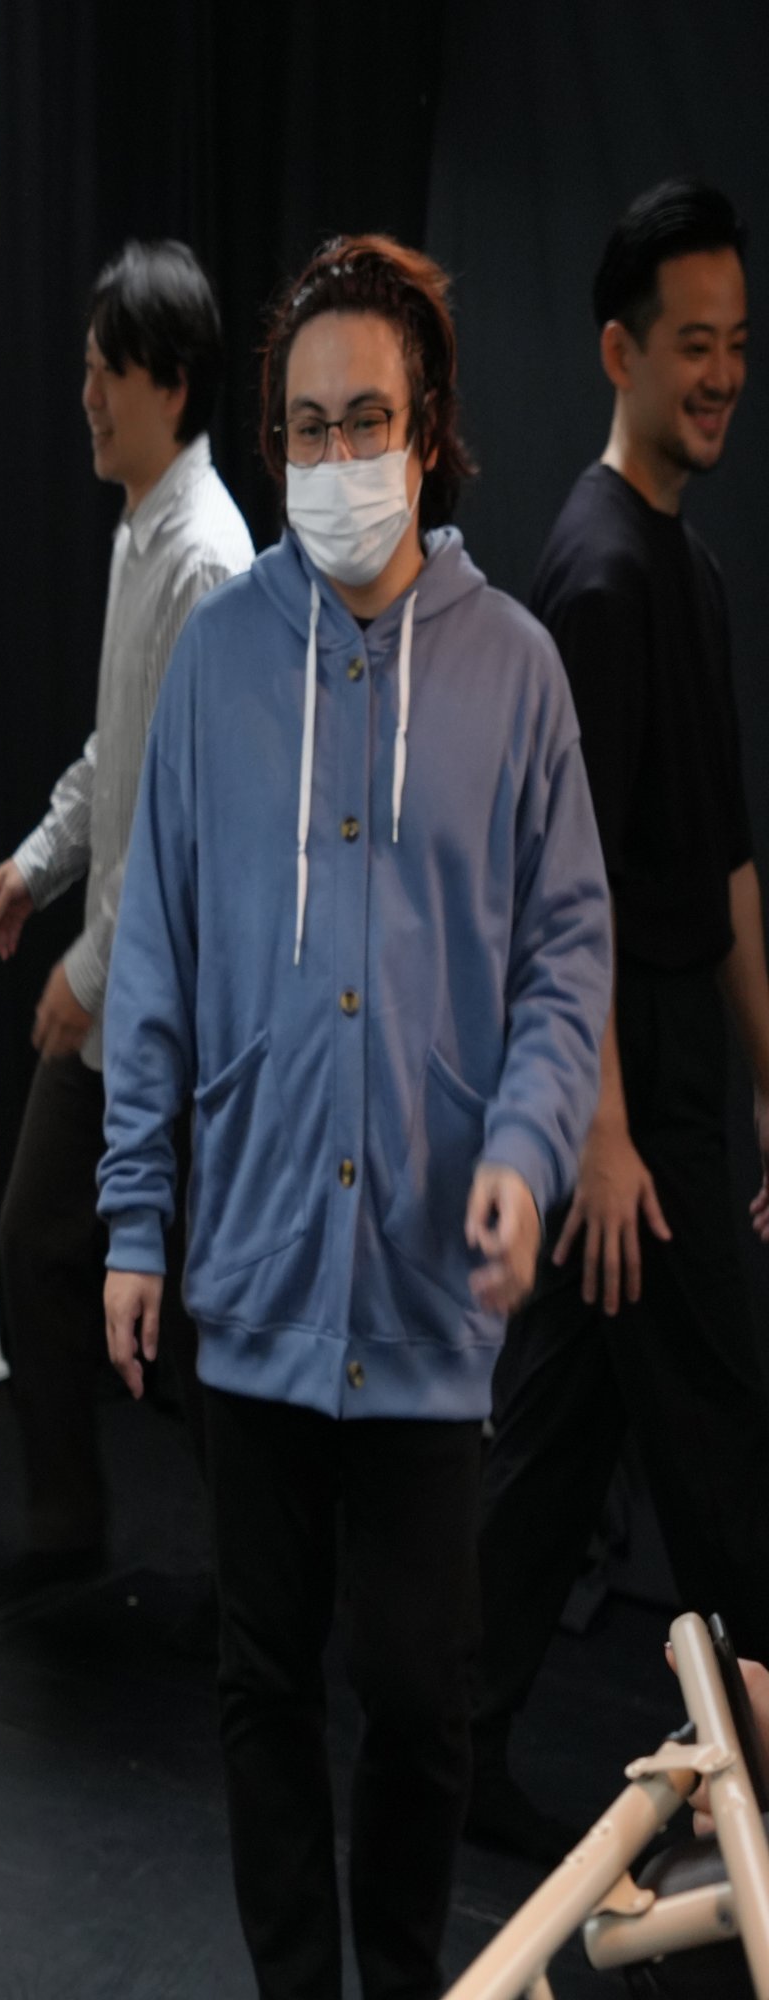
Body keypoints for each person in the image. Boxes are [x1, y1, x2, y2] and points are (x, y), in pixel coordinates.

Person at [99, 235, 611, 1999]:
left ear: (430, 427)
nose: (335, 458)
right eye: (306, 428)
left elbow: (568, 957)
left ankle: (398, 1977)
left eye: (366, 421)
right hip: (250, 1264)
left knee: (415, 1689)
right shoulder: (218, 663)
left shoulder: (518, 674)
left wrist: (528, 1149)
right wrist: (135, 1216)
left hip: (426, 1285)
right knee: (261, 1675)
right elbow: (155, 950)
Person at [470, 179, 769, 1867]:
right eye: (693, 346)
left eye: (738, 344)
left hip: (672, 1071)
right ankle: (755, 1778)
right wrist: (598, 1133)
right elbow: (547, 880)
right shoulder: (592, 575)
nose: (722, 376)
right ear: (620, 354)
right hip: (617, 1083)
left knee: (559, 1438)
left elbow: (721, 861)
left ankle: (448, 1746)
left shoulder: (689, 571)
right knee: (716, 1449)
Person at [0, 240, 252, 1577]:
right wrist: (37, 865)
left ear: (170, 384)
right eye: (87, 368)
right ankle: (75, 1523)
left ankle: (260, 1562)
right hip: (124, 984)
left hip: (175, 1008)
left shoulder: (207, 563)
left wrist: (86, 971)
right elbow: (119, 753)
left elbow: (186, 824)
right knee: (49, 1249)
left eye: (106, 372)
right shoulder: (141, 533)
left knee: (173, 1307)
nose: (85, 395)